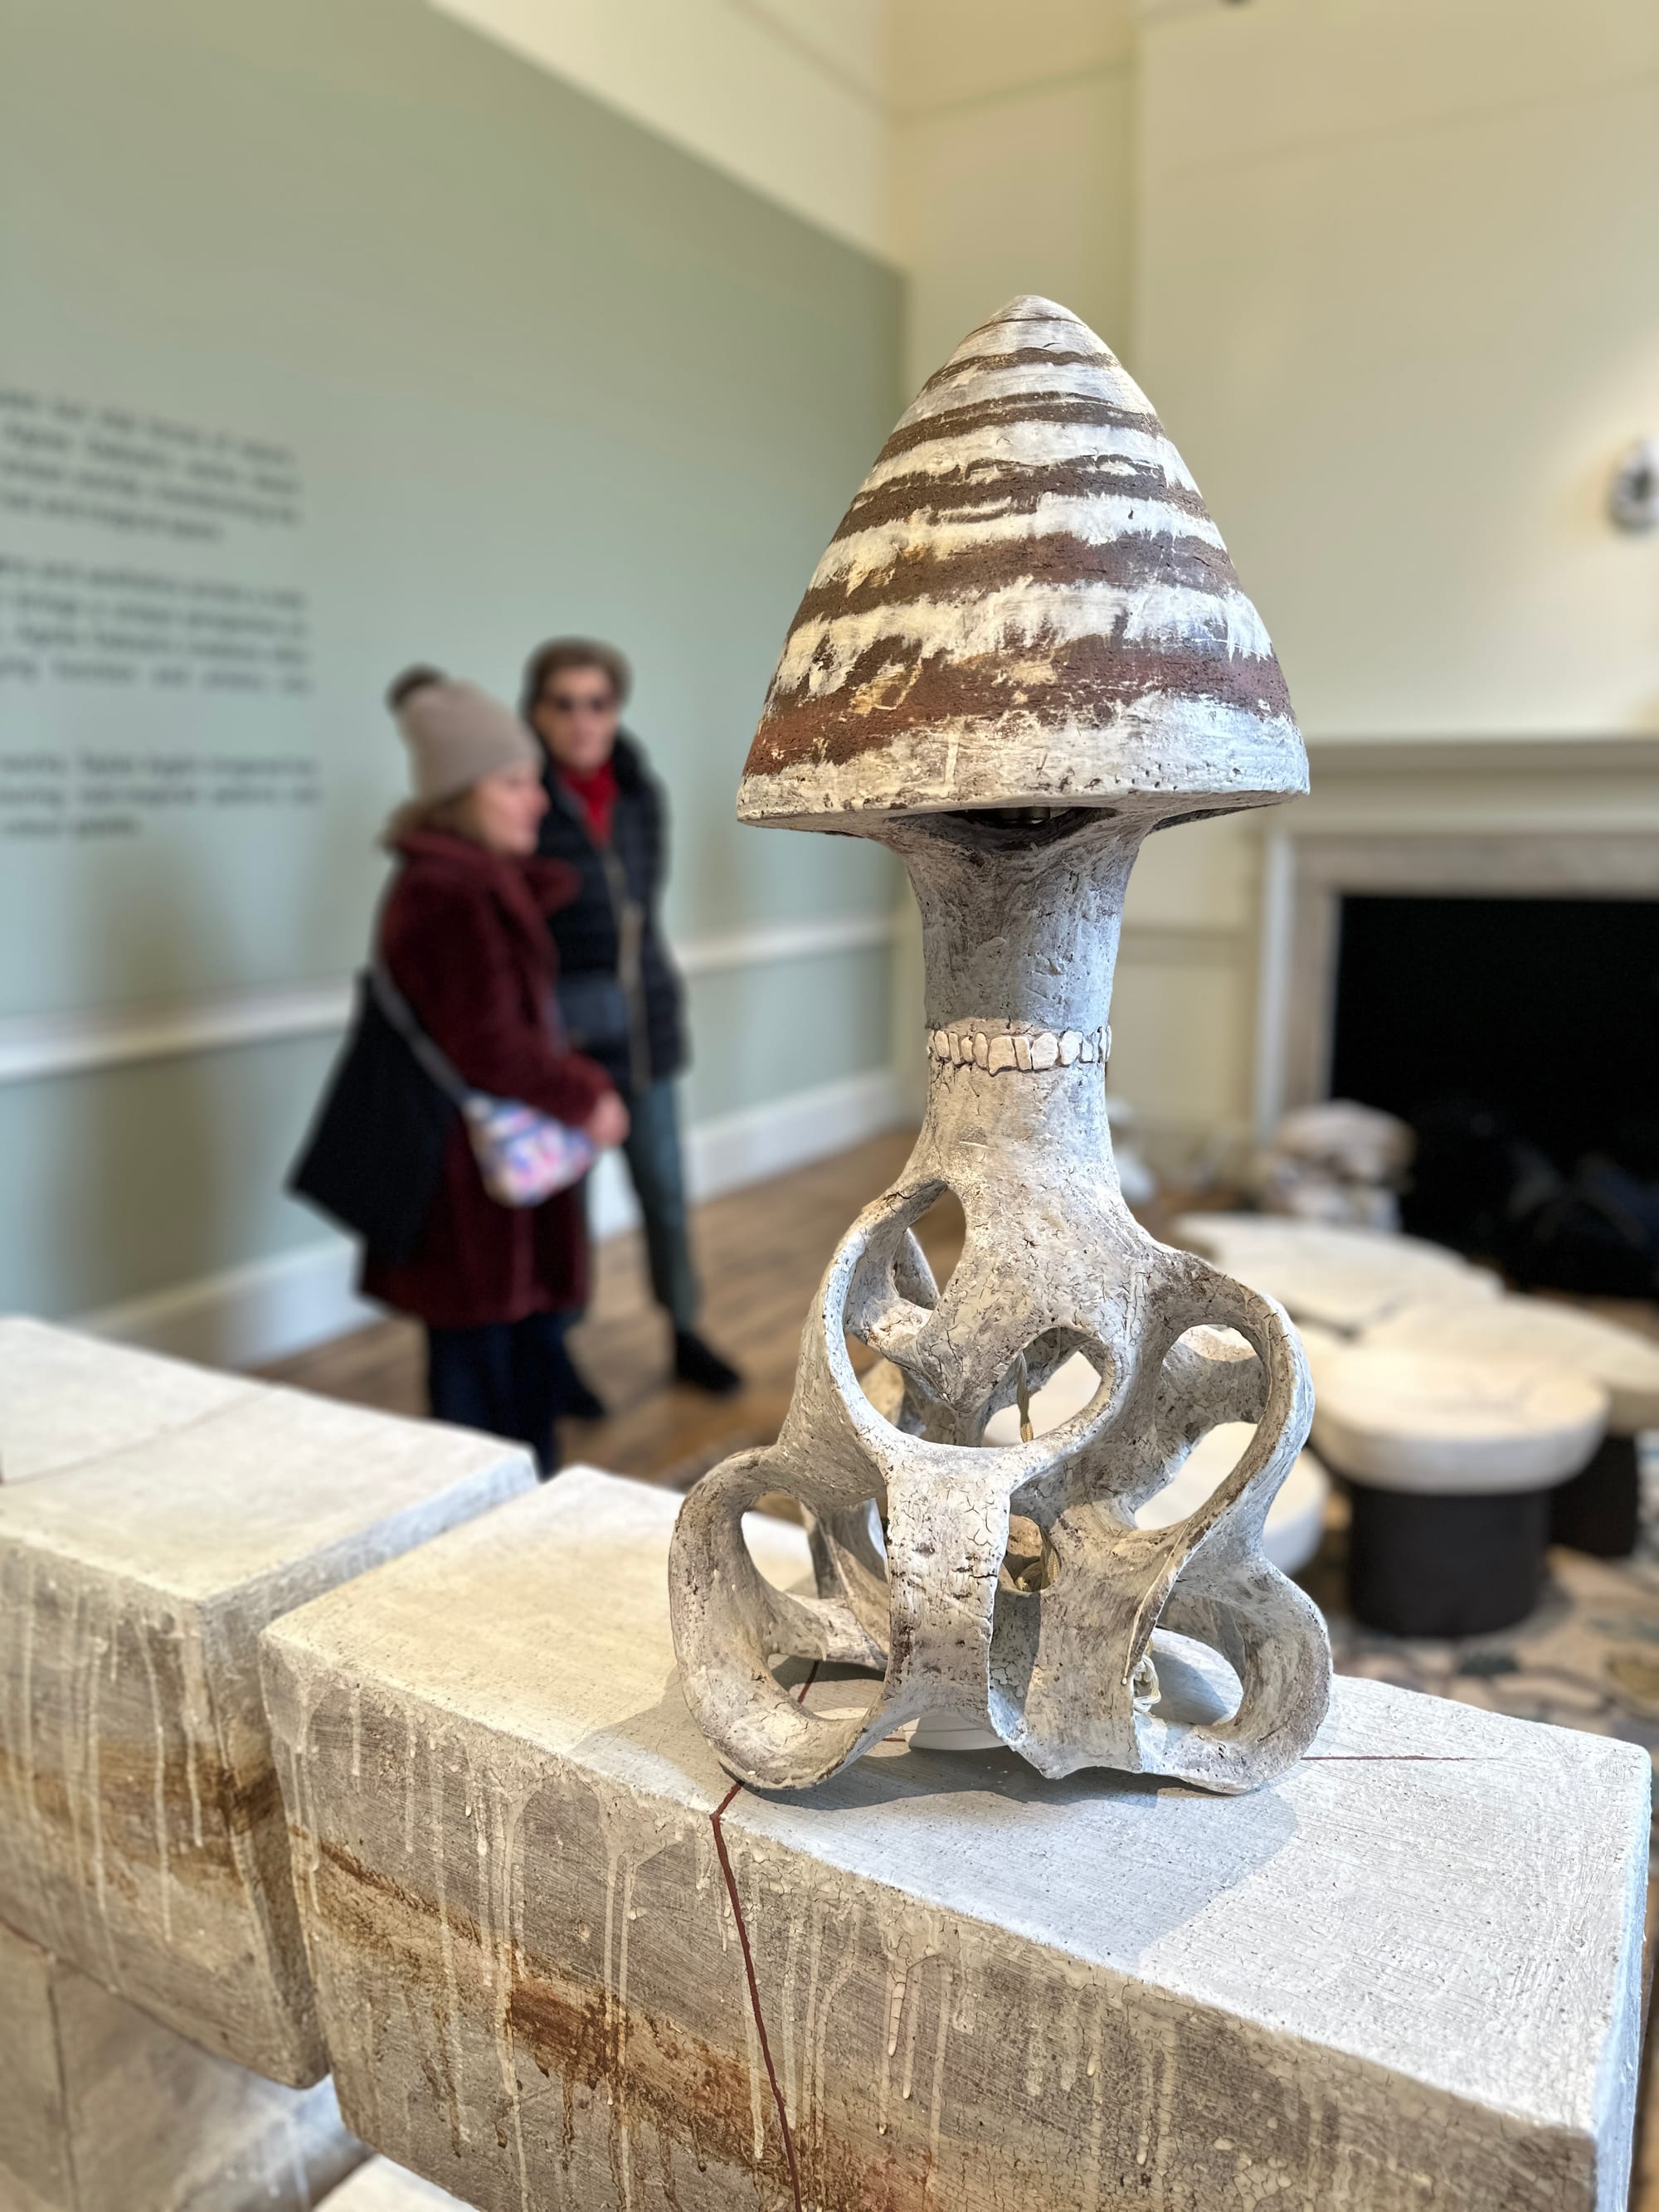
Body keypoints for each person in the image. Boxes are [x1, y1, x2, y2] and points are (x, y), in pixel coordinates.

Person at [362, 669, 629, 1471]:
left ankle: (517, 1494)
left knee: (503, 1356)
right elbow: (491, 1046)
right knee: (481, 1384)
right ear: (461, 794)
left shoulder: (474, 883)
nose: (537, 800)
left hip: (477, 1173)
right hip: (465, 1184)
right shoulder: (448, 893)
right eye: (514, 783)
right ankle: (495, 1519)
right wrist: (589, 1097)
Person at [521, 637, 741, 1402]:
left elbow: (644, 911)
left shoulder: (641, 792)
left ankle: (683, 1330)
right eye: (564, 704)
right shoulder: (522, 798)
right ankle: (557, 1348)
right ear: (537, 712)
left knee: (666, 1193)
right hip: (566, 1042)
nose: (582, 720)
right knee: (566, 1211)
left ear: (615, 710)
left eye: (597, 703)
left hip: (648, 1027)